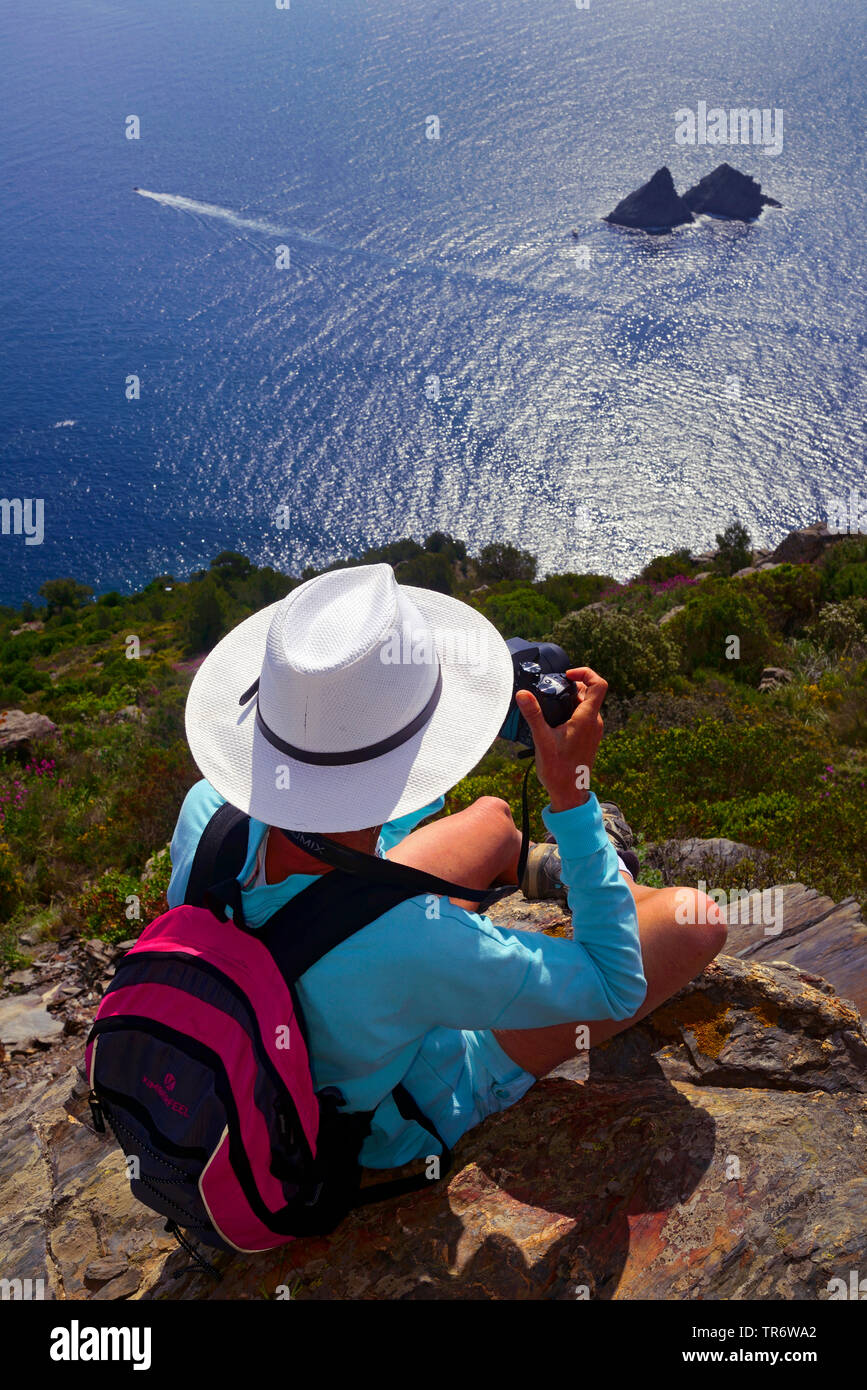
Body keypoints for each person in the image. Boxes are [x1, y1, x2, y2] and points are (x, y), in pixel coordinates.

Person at [167, 561, 726, 1171]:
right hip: (416, 1099)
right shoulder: (416, 941)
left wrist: (447, 727)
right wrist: (571, 796)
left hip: (318, 1002)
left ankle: (577, 877)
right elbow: (615, 988)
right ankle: (602, 875)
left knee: (490, 821)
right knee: (694, 917)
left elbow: (349, 825)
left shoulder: (208, 814)